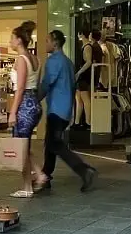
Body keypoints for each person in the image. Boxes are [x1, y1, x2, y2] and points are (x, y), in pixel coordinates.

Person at [38, 30, 97, 192]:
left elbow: (46, 84)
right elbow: (72, 87)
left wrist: (33, 100)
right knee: (50, 143)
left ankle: (84, 170)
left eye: (47, 40)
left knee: (55, 144)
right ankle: (46, 177)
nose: (45, 44)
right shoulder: (69, 63)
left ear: (55, 43)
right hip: (65, 110)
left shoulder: (54, 62)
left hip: (56, 110)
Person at [8, 21, 45, 198]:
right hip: (34, 105)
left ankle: (27, 187)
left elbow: (20, 88)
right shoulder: (35, 59)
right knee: (25, 145)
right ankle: (39, 174)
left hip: (24, 105)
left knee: (21, 147)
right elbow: (36, 86)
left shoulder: (21, 60)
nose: (10, 42)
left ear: (19, 40)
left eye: (12, 38)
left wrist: (13, 112)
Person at [74, 29, 104, 128]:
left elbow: (88, 62)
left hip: (84, 76)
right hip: (82, 76)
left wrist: (79, 72)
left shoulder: (87, 47)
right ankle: (77, 122)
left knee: (85, 98)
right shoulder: (86, 46)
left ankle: (88, 122)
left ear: (81, 34)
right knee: (79, 98)